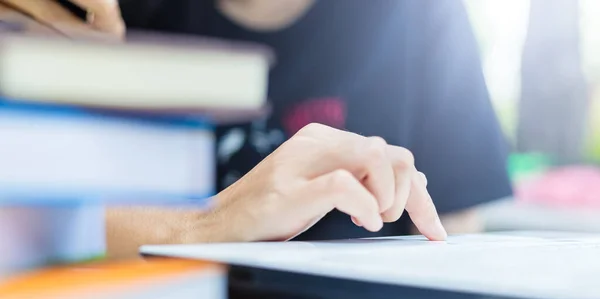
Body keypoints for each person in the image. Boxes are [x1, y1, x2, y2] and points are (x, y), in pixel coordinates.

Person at [69, 0, 513, 259]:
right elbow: (31, 230)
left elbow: (451, 229)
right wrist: (209, 224)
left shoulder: (421, 13)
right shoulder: (95, 14)